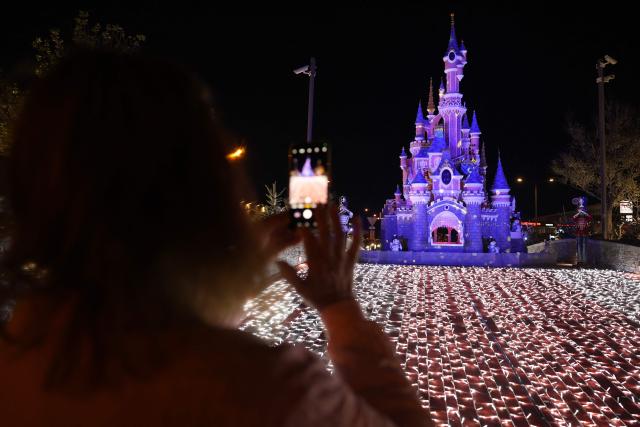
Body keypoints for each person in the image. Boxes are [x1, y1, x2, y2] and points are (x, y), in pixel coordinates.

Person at [0, 51, 430, 426]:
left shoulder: (17, 357)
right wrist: (341, 309)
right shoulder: (268, 389)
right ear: (205, 191)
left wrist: (228, 286)